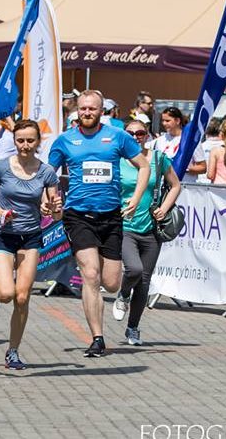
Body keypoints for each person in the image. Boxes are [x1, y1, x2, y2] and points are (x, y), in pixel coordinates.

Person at [48, 90, 149, 357]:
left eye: (92, 109)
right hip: (78, 215)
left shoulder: (117, 137)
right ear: (77, 111)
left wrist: (136, 198)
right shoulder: (65, 141)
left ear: (101, 111)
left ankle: (121, 296)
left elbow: (144, 166)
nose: (87, 113)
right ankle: (97, 337)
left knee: (112, 282)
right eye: (83, 109)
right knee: (90, 274)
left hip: (111, 216)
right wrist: (51, 199)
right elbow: (49, 175)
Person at [0, 120, 62, 369]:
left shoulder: (47, 172)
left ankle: (13, 351)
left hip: (31, 236)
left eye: (30, 141)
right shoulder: (1, 167)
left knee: (22, 297)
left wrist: (53, 209)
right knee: (6, 294)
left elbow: (54, 211)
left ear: (38, 142)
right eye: (20, 140)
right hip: (3, 234)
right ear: (14, 141)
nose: (25, 146)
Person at [111, 118, 182, 346]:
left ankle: (133, 328)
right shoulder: (118, 161)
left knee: (143, 282)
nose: (135, 137)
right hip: (125, 227)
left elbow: (176, 185)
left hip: (151, 228)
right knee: (134, 269)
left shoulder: (158, 159)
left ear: (147, 135)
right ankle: (122, 294)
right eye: (130, 134)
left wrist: (164, 207)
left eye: (140, 133)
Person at [150, 107, 206, 183]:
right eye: (163, 121)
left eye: (167, 121)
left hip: (185, 187)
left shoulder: (191, 140)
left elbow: (203, 167)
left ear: (177, 121)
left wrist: (184, 168)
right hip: (164, 186)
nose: (164, 124)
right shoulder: (160, 141)